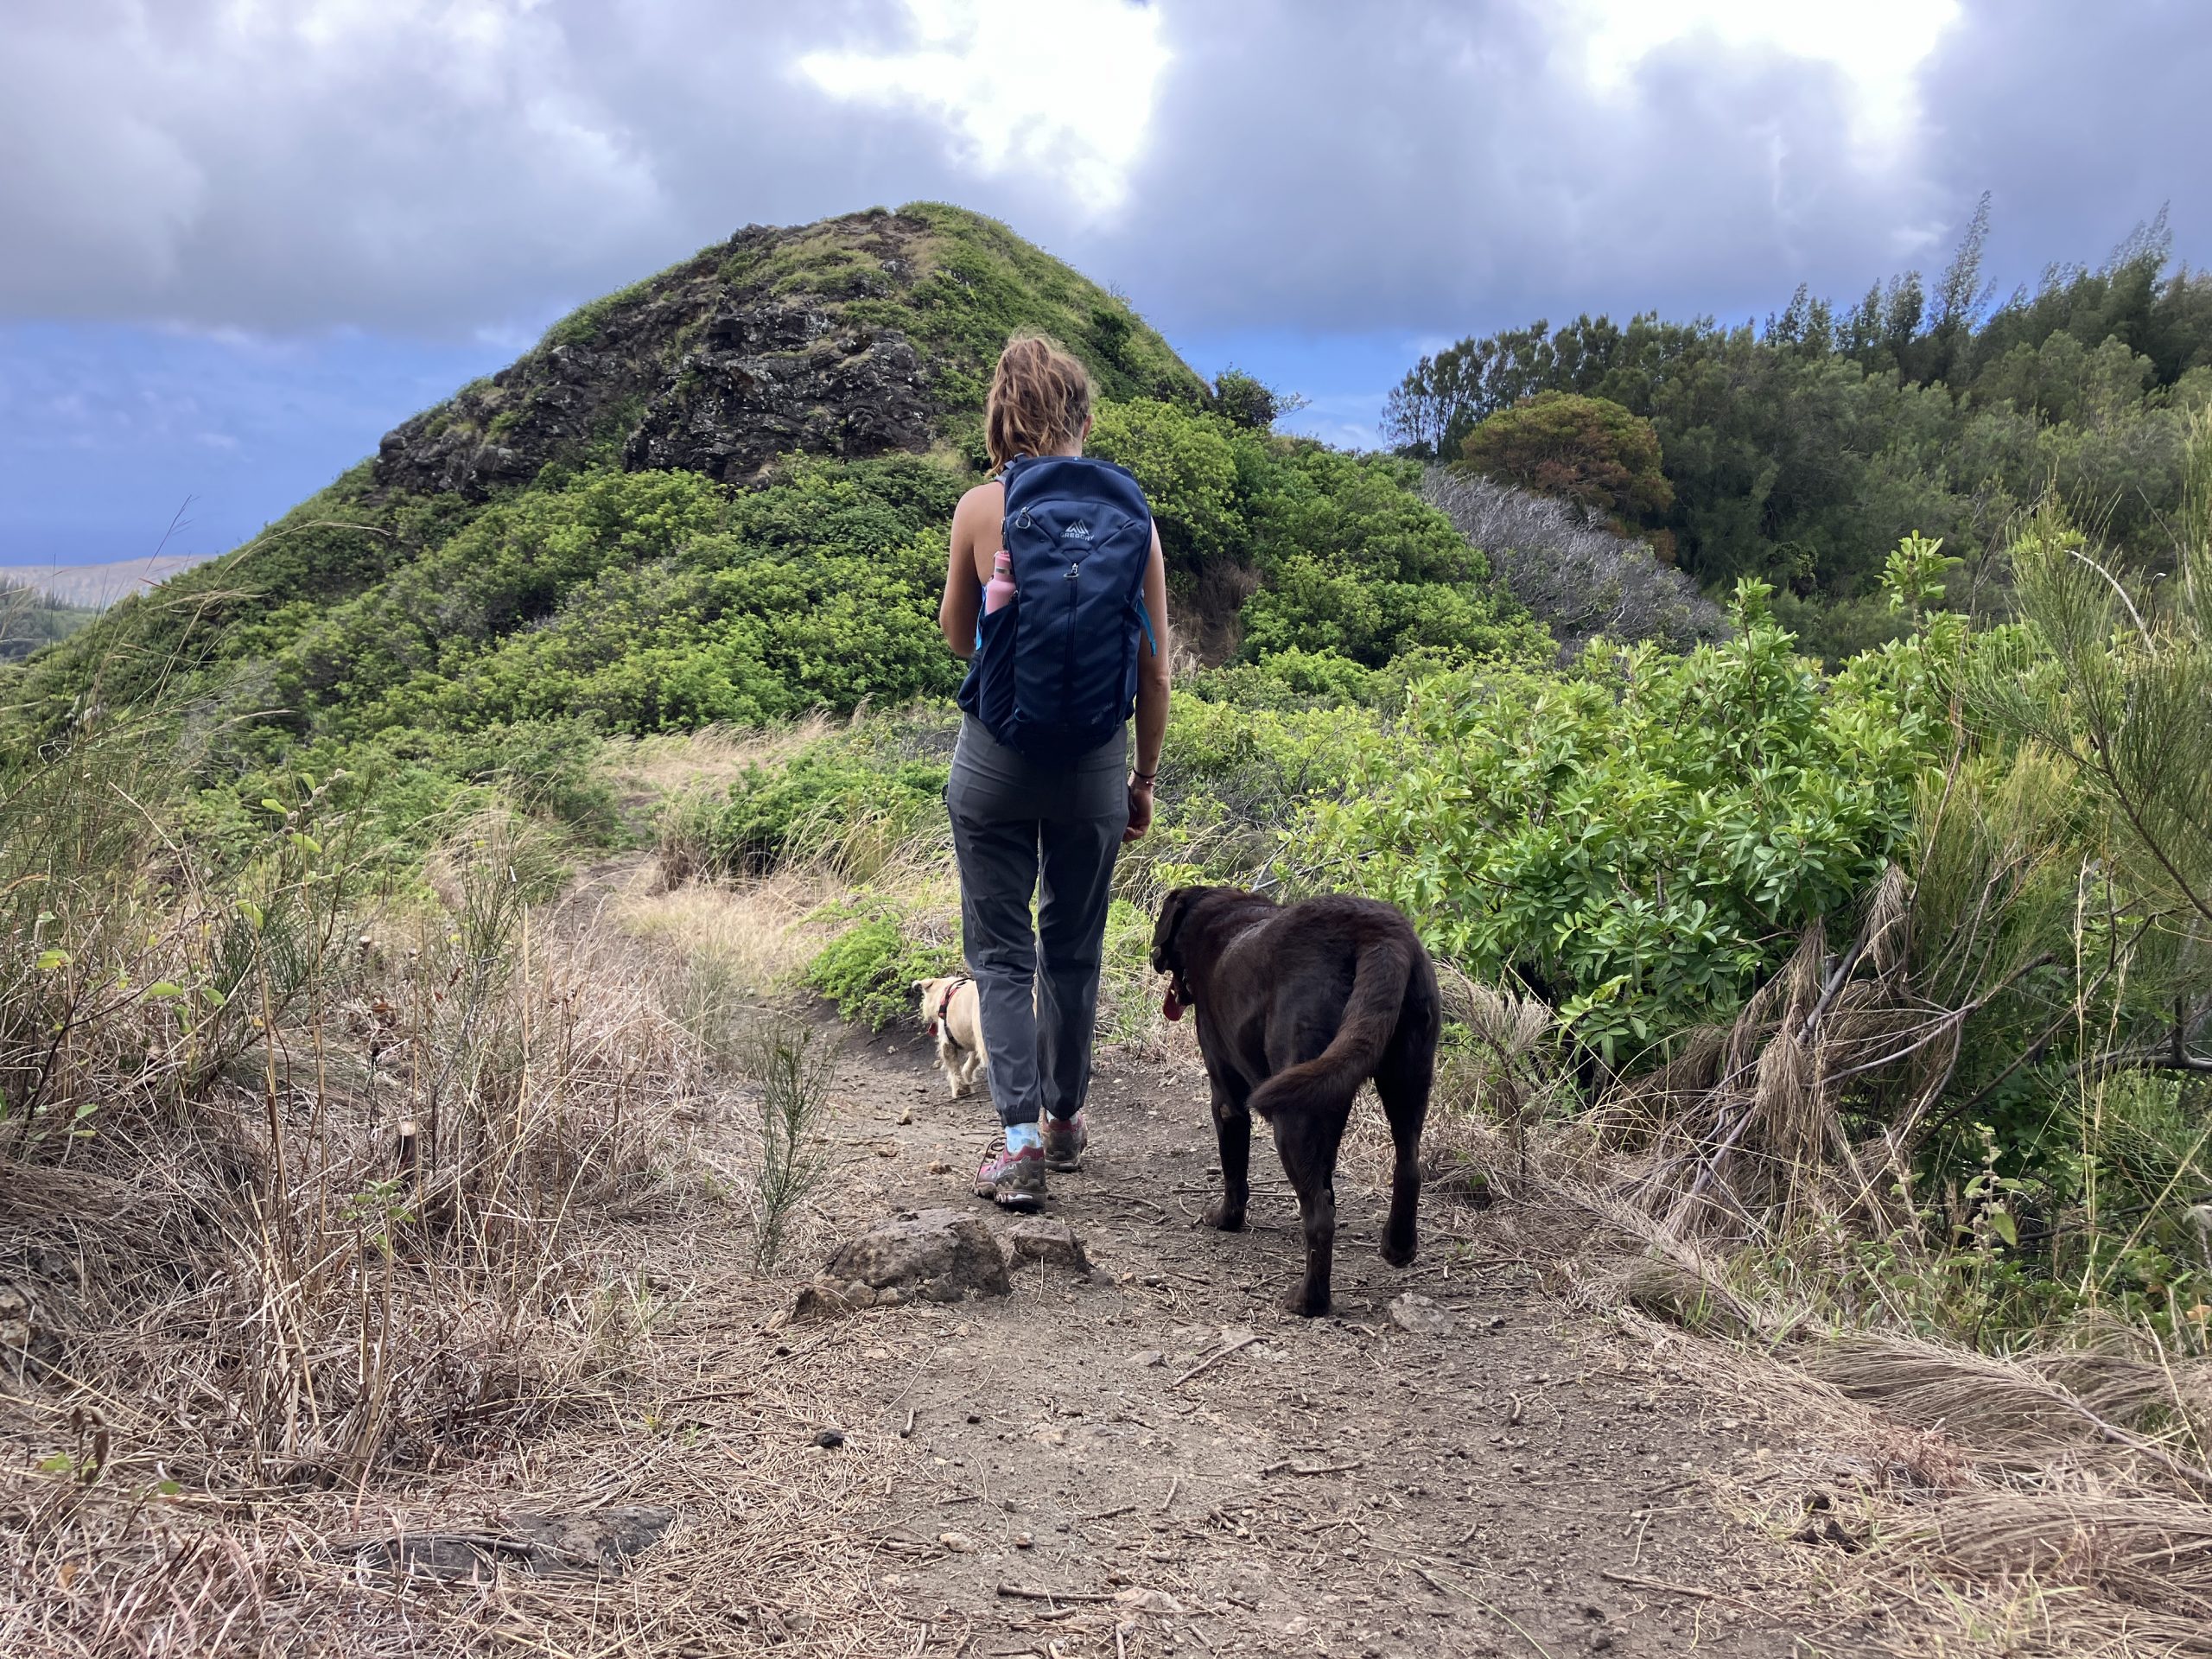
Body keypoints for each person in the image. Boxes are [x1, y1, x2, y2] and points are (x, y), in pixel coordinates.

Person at [938, 334, 1172, 1210]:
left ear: (1001, 415)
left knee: (1001, 954)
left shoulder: (977, 506)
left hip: (994, 764)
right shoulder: (1131, 517)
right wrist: (1141, 781)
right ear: (1081, 413)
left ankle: (1020, 1142)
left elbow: (961, 638)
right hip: (1092, 771)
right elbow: (1154, 669)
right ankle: (1069, 1119)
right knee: (1072, 948)